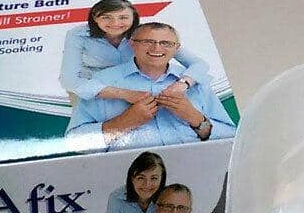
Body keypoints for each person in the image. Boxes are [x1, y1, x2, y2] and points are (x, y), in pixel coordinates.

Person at [65, 22, 237, 151]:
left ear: (176, 48)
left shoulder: (197, 83)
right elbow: (74, 143)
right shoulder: (102, 82)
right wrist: (123, 122)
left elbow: (231, 136)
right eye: (148, 41)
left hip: (195, 169)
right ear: (132, 44)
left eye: (166, 43)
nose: (156, 48)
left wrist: (196, 118)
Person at [59, 0, 211, 103]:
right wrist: (124, 94)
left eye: (123, 17)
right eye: (106, 17)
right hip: (93, 86)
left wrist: (183, 83)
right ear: (94, 18)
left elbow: (199, 64)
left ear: (134, 18)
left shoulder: (145, 33)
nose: (115, 23)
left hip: (135, 83)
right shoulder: (77, 35)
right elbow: (69, 80)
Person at [100, 151, 167, 213]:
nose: (147, 184)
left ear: (161, 179)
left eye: (154, 178)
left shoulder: (169, 195)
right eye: (141, 178)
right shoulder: (117, 197)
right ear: (132, 178)